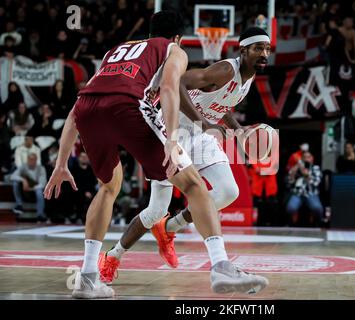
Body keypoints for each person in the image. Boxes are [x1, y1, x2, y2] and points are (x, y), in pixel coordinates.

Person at [44, 11, 268, 299]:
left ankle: (88, 277)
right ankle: (219, 266)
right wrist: (172, 139)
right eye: (259, 47)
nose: (263, 53)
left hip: (90, 109)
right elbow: (171, 87)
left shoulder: (117, 50)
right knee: (187, 191)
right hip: (153, 116)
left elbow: (82, 105)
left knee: (110, 187)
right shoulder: (175, 49)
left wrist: (61, 162)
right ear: (178, 37)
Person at [99, 27, 273, 280]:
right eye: (258, 48)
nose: (264, 53)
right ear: (243, 50)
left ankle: (170, 228)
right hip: (169, 132)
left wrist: (238, 131)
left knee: (228, 191)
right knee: (155, 209)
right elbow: (178, 82)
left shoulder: (248, 78)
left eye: (267, 49)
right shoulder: (226, 70)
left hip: (199, 136)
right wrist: (204, 123)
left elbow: (220, 104)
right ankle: (112, 256)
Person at [286, 151, 323, 226]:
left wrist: (307, 175)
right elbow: (289, 181)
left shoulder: (315, 168)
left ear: (312, 158)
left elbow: (316, 183)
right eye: (304, 157)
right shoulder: (297, 167)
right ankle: (292, 224)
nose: (306, 159)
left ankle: (317, 224)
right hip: (298, 193)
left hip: (311, 193)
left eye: (308, 157)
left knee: (317, 208)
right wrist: (296, 168)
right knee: (290, 208)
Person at [11, 153, 47, 220]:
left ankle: (40, 214)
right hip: (24, 190)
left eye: (33, 159)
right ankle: (19, 204)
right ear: (27, 160)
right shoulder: (23, 167)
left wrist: (31, 188)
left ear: (36, 160)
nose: (31, 161)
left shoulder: (41, 168)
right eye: (30, 159)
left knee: (39, 191)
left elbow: (42, 184)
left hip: (35, 190)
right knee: (15, 183)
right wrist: (23, 180)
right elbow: (13, 176)